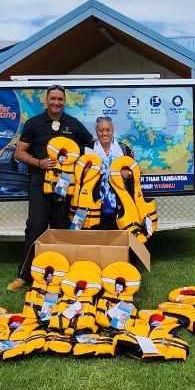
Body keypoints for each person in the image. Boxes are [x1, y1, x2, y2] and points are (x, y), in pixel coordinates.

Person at [7, 85, 94, 291]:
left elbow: (93, 146)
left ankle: (61, 273)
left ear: (65, 101)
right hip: (39, 184)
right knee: (35, 227)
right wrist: (39, 163)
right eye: (53, 98)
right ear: (46, 100)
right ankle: (24, 275)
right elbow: (19, 154)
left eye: (60, 99)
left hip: (65, 188)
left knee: (62, 229)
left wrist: (121, 150)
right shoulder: (33, 123)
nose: (56, 102)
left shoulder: (73, 124)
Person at [86, 116, 133, 230]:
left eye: (108, 130)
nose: (105, 133)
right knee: (97, 233)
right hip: (96, 198)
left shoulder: (123, 148)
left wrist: (128, 173)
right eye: (101, 130)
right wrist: (86, 171)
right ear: (96, 132)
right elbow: (80, 171)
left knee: (117, 233)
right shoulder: (88, 149)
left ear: (113, 131)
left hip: (119, 200)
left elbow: (134, 169)